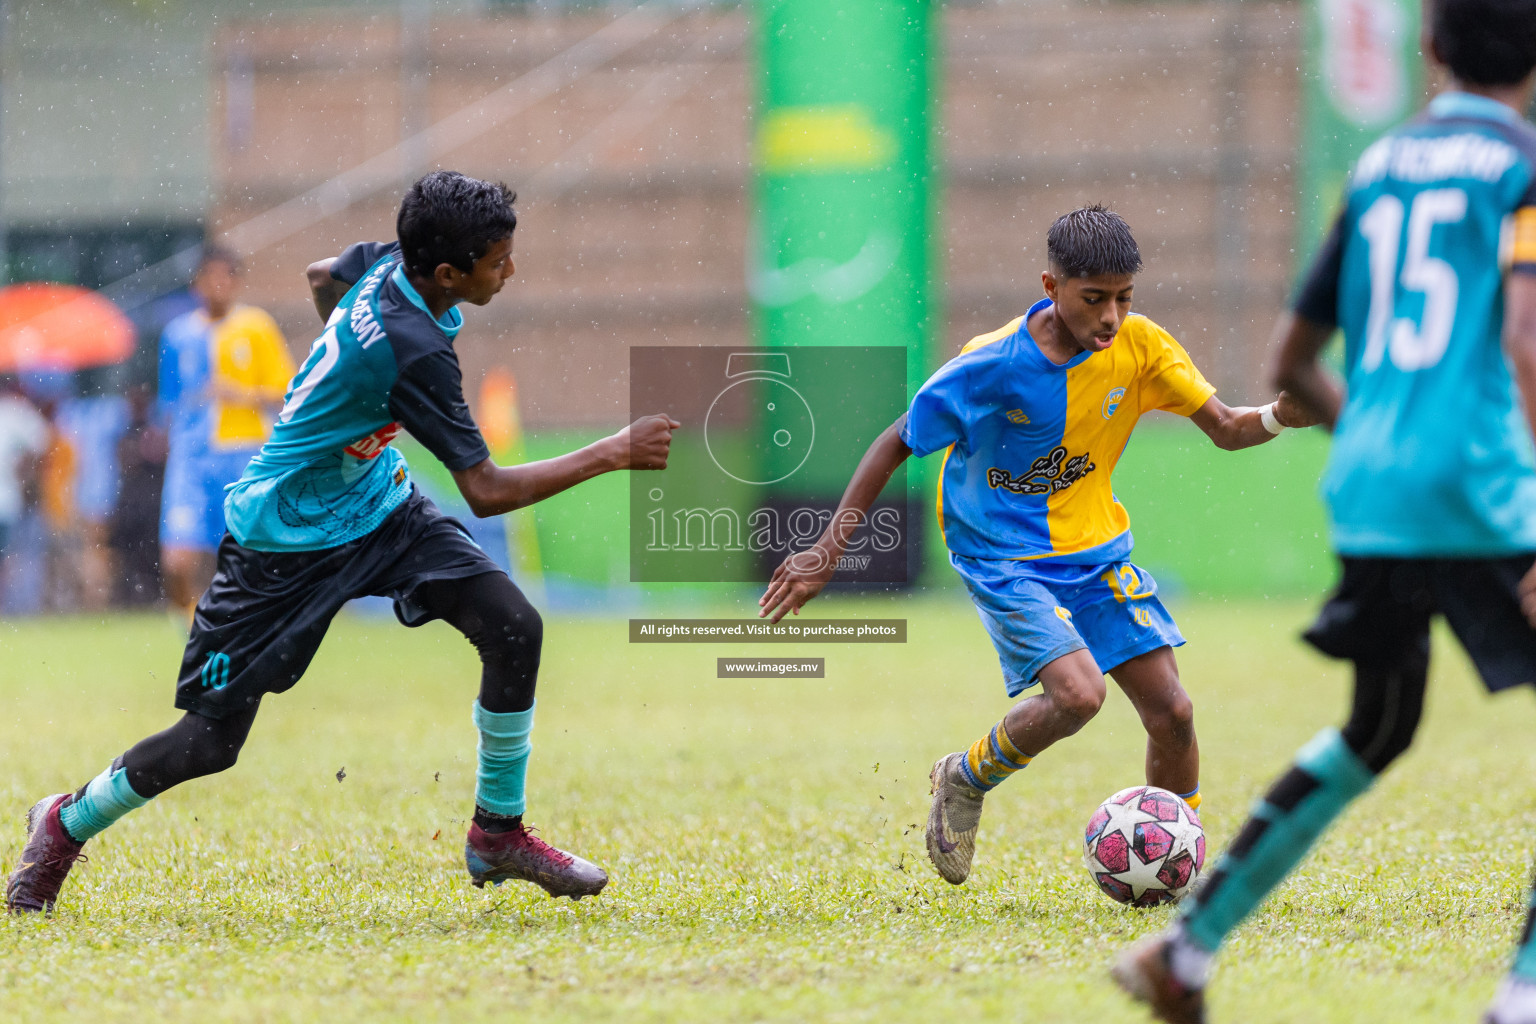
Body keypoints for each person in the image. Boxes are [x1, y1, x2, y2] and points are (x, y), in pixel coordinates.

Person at [6, 170, 678, 914]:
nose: (510, 271)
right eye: (498, 262)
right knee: (209, 744)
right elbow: (486, 490)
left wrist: (345, 382)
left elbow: (323, 275)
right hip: (285, 538)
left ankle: (497, 834)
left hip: (379, 506)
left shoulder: (396, 260)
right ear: (449, 273)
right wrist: (612, 451)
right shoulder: (414, 347)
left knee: (513, 625)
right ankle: (65, 822)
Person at [1110, 1, 1536, 1020]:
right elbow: (1526, 334)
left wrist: (1388, 442)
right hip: (1485, 488)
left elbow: (1290, 363)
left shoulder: (1379, 169)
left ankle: (1186, 947)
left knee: (1376, 726)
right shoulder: (1524, 167)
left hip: (1375, 489)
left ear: (1429, 49)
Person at [759, 205, 1319, 887]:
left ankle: (1181, 864)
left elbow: (1229, 428)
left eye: (1123, 298)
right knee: (1080, 696)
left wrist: (1280, 416)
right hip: (1002, 555)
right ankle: (966, 776)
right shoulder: (992, 366)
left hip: (1097, 554)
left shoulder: (1141, 347)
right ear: (1050, 286)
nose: (1111, 316)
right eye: (1095, 299)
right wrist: (826, 549)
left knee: (1173, 712)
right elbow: (894, 443)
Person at [158, 246, 296, 618]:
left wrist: (243, 395)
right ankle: (189, 626)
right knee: (177, 559)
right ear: (196, 283)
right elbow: (168, 402)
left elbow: (288, 393)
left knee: (244, 555)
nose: (218, 285)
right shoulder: (177, 335)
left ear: (237, 282)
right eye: (210, 276)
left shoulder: (256, 326)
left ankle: (238, 629)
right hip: (192, 456)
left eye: (226, 276)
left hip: (244, 453)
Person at [0, 375, 49, 605]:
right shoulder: (17, 411)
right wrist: (25, 472)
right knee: (12, 557)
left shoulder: (14, 411)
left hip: (8, 500)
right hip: (8, 501)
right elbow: (42, 442)